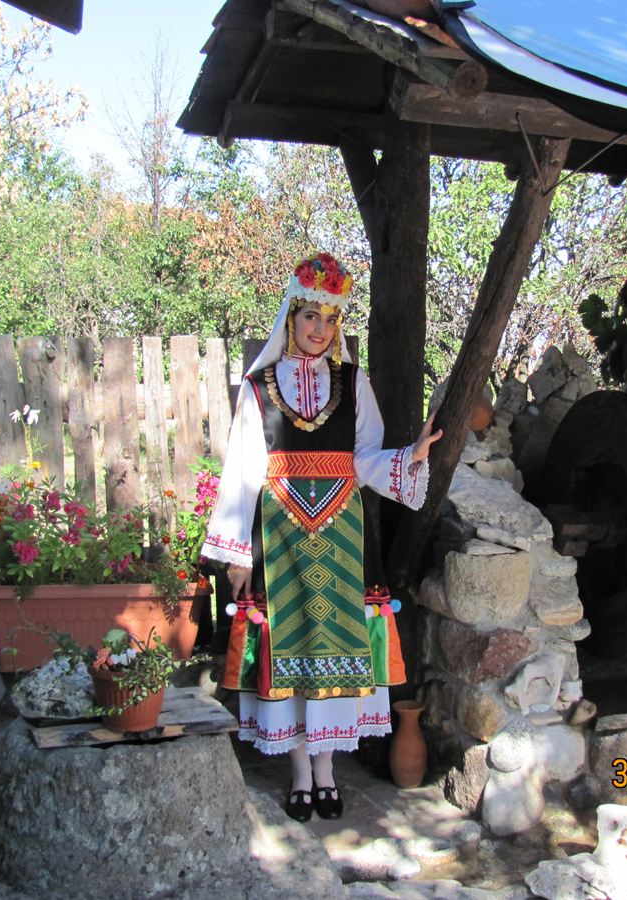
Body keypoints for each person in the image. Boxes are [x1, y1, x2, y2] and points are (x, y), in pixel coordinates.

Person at [201, 253, 442, 822]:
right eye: (311, 315)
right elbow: (242, 470)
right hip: (279, 538)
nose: (320, 329)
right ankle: (301, 773)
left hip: (342, 538)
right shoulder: (258, 387)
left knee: (334, 650)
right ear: (291, 316)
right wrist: (238, 555)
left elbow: (366, 459)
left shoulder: (353, 383)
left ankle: (328, 770)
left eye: (331, 319)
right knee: (291, 651)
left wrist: (411, 457)